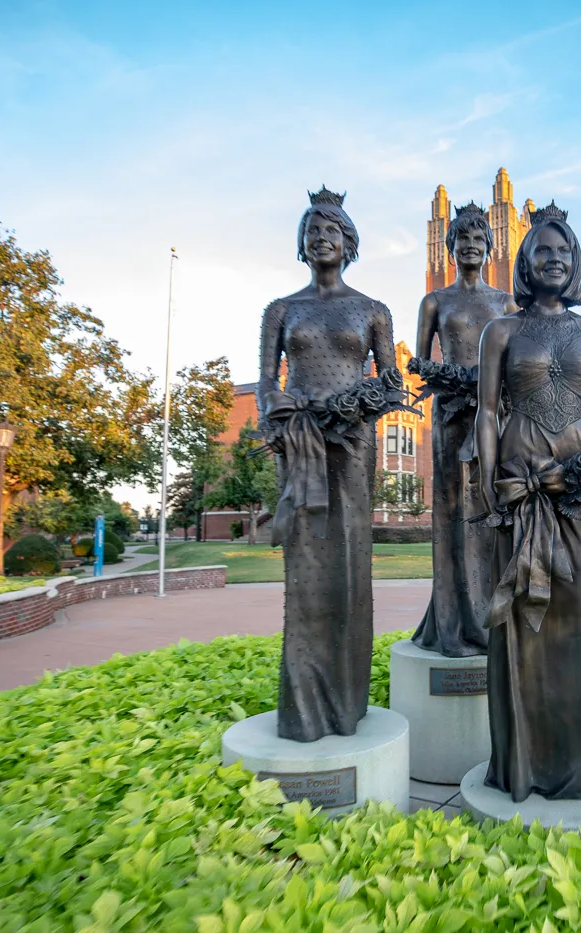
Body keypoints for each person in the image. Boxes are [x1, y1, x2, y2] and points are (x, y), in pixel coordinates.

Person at [473, 203, 581, 801]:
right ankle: (526, 763)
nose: (555, 261)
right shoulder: (502, 332)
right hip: (520, 483)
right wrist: (488, 483)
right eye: (543, 251)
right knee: (522, 620)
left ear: (576, 264)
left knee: (580, 619)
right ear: (524, 260)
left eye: (564, 253)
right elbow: (488, 413)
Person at [257, 187, 402, 742]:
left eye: (333, 230)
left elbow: (391, 387)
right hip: (300, 446)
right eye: (313, 230)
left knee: (349, 560)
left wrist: (352, 406)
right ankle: (302, 706)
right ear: (302, 242)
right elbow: (268, 385)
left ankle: (345, 702)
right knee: (306, 566)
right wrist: (283, 412)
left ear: (349, 243)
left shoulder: (372, 311)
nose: (322, 238)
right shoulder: (281, 311)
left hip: (352, 446)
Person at [411, 202, 518, 657]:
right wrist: (455, 381)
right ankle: (454, 620)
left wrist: (489, 390)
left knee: (489, 507)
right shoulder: (436, 301)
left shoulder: (505, 302)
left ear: (489, 247)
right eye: (462, 239)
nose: (470, 246)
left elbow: (517, 364)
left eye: (478, 239)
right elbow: (420, 364)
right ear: (451, 247)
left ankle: (490, 616)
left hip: (493, 418)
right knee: (453, 509)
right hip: (451, 415)